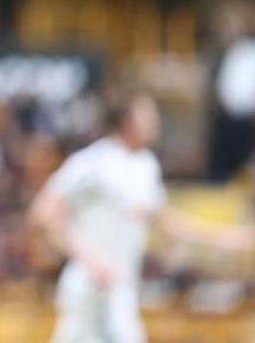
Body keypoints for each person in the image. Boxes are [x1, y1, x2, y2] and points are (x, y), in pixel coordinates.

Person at [30, 90, 254, 343]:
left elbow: (169, 223)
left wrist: (231, 237)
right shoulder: (93, 162)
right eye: (147, 113)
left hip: (122, 290)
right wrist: (89, 258)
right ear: (127, 120)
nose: (155, 120)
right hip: (91, 289)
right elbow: (44, 211)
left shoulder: (145, 166)